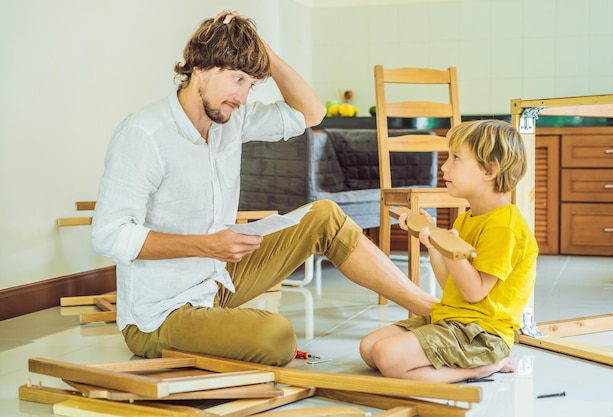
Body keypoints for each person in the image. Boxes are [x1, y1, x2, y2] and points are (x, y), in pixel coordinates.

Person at [91, 10, 439, 366]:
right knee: (277, 337)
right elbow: (109, 235)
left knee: (325, 216)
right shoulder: (144, 134)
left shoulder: (232, 119)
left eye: (251, 84)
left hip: (216, 283)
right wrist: (207, 245)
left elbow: (312, 113)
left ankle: (433, 309)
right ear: (198, 67)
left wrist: (264, 52)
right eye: (237, 78)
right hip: (159, 316)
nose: (242, 97)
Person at [360, 119, 539, 383]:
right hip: (452, 318)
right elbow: (450, 284)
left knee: (387, 357)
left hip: (482, 334)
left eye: (456, 158)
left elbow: (474, 291)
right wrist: (435, 242)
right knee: (369, 349)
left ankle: (484, 366)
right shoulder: (465, 219)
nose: (444, 166)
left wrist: (454, 250)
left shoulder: (506, 227)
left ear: (489, 170)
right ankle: (468, 365)